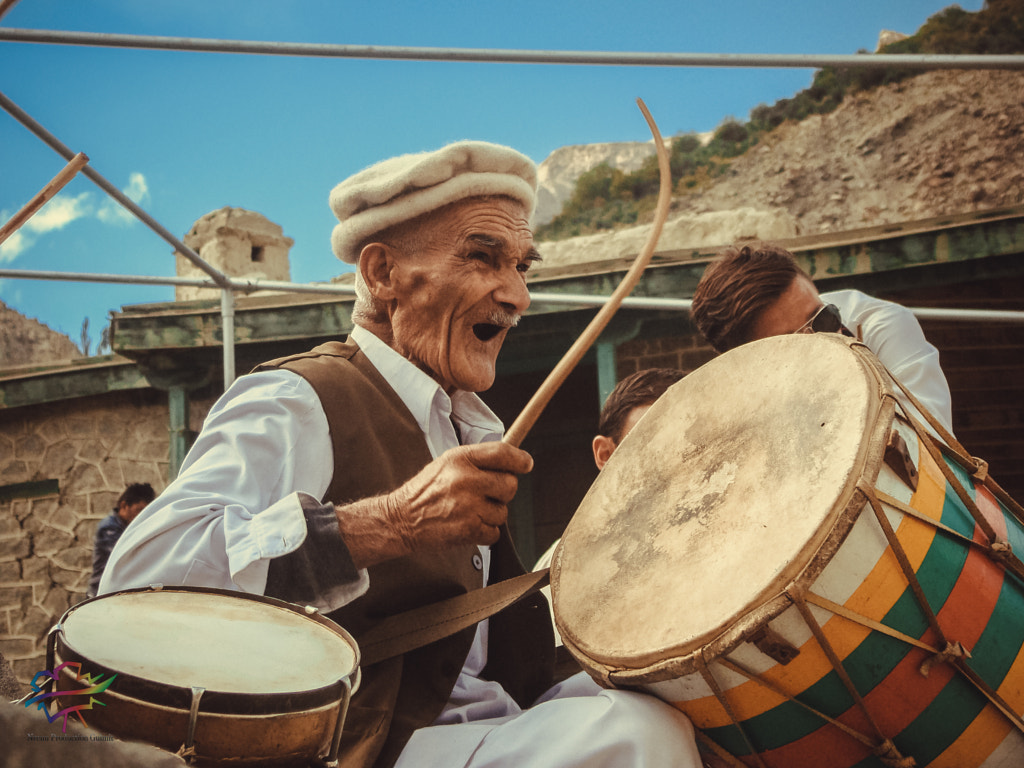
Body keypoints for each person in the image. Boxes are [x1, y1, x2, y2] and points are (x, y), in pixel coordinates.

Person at [101, 141, 702, 768]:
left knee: (680, 697)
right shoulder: (298, 398)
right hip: (375, 746)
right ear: (383, 274)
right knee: (643, 735)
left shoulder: (463, 424)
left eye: (523, 266)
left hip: (498, 721)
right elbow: (138, 580)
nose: (517, 295)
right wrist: (390, 522)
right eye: (483, 258)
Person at [690, 241, 954, 436]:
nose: (823, 343)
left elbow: (931, 439)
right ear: (745, 365)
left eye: (824, 318)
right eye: (792, 344)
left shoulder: (879, 325)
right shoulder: (733, 397)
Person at [535, 367, 686, 643]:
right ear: (605, 454)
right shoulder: (564, 572)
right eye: (650, 443)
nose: (672, 459)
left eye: (689, 439)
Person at [87, 482, 155, 598]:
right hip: (100, 596)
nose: (142, 516)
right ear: (124, 506)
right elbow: (128, 556)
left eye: (146, 512)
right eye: (139, 510)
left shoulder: (130, 528)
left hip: (117, 594)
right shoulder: (108, 528)